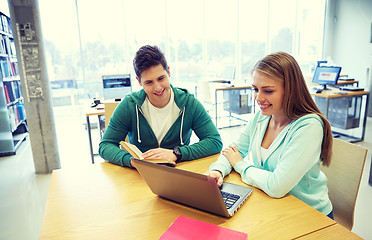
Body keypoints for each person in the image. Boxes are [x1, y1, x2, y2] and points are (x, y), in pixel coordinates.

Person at [205, 52, 334, 218]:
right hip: (273, 206)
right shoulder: (262, 117)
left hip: (309, 215)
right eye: (255, 89)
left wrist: (240, 165)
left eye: (267, 91)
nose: (258, 98)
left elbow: (276, 186)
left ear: (290, 90)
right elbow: (233, 151)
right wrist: (217, 170)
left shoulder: (309, 127)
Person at [99, 45, 223, 168]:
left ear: (168, 71)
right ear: (139, 81)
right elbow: (105, 146)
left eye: (161, 78)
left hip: (179, 172)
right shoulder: (129, 105)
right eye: (149, 82)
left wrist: (177, 153)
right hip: (141, 174)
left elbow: (214, 142)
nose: (157, 88)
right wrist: (132, 161)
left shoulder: (189, 103)